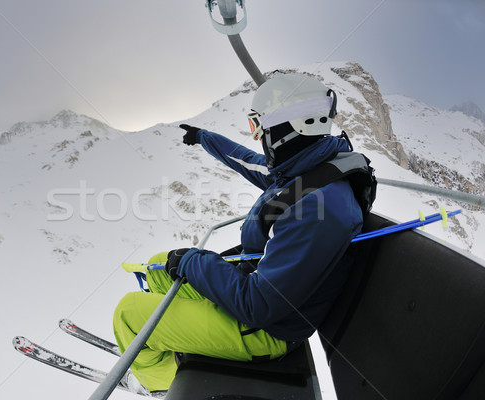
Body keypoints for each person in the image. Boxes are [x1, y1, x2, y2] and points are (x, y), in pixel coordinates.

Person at [113, 73, 373, 393]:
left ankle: (160, 384)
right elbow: (249, 162)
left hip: (266, 331)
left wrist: (194, 261)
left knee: (128, 314)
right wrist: (204, 137)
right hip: (256, 294)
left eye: (258, 126)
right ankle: (173, 339)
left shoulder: (319, 207)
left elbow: (259, 306)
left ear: (288, 127)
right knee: (160, 266)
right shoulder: (305, 173)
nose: (257, 137)